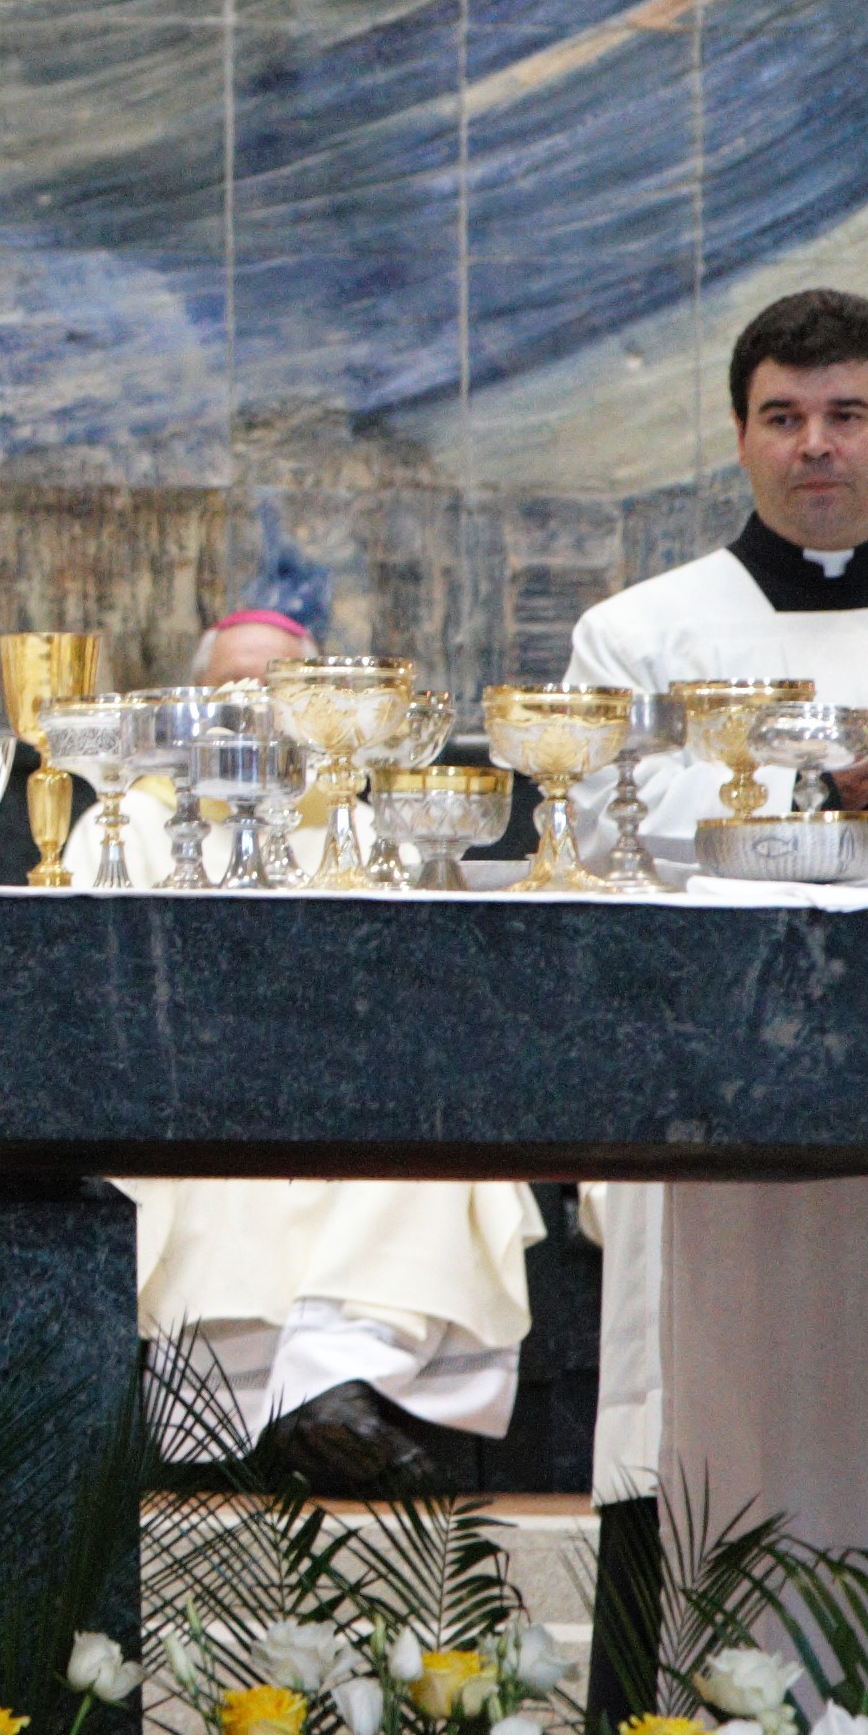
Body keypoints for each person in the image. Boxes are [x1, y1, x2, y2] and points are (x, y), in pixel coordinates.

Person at [568, 289, 868, 1579]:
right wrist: (794, 793)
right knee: (713, 1463)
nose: (815, 445)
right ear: (741, 439)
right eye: (783, 417)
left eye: (845, 415)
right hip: (723, 1121)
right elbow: (593, 834)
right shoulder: (638, 636)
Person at [114, 611, 544, 1489]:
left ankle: (335, 1384)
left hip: (362, 1080)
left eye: (285, 690)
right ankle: (283, 1401)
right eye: (231, 690)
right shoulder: (137, 820)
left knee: (409, 1149)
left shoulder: (380, 822)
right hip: (196, 1089)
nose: (259, 709)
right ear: (193, 707)